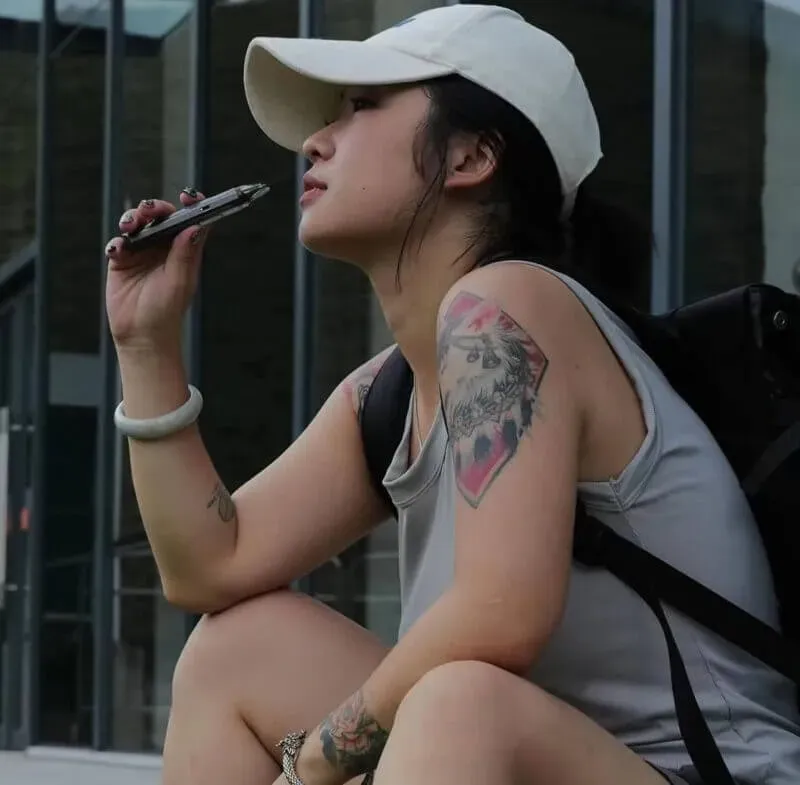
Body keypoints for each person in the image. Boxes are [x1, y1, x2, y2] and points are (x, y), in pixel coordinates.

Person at [103, 5, 800, 785]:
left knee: (457, 701)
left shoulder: (509, 307)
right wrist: (146, 345)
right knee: (235, 651)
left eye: (362, 106)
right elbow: (209, 568)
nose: (316, 141)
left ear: (471, 155)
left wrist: (309, 767)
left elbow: (501, 613)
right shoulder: (391, 390)